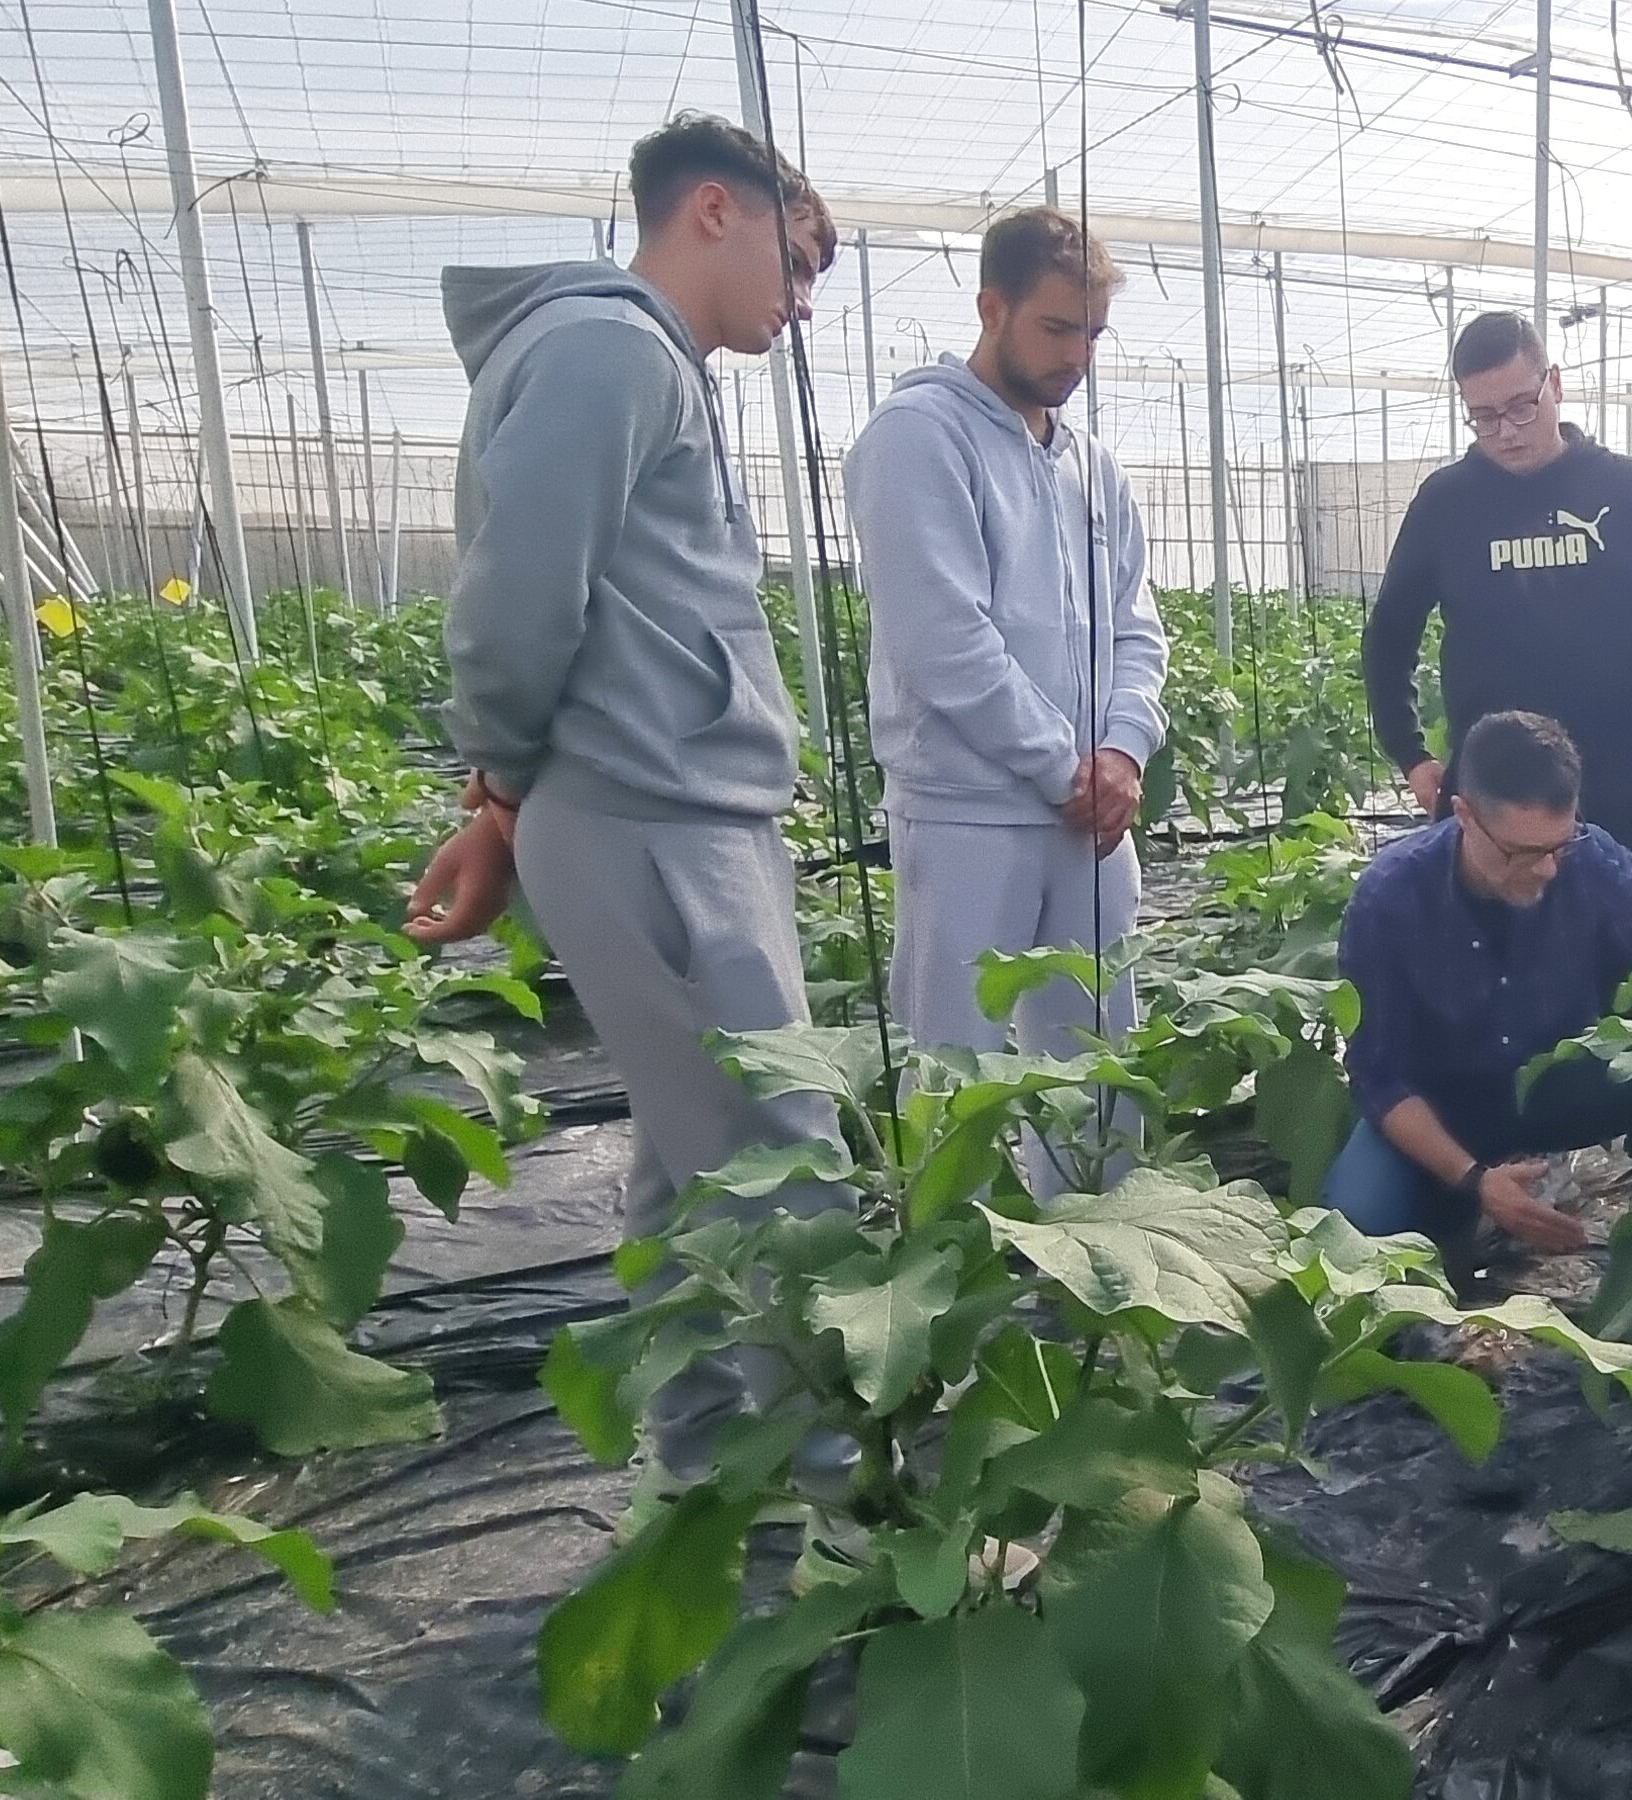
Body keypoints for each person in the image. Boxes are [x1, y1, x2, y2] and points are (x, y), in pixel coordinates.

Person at [405, 114, 843, 1477]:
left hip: (669, 808)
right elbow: (515, 604)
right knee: (778, 1162)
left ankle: (708, 1472)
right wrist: (504, 783)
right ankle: (835, 1505)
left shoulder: (633, 359)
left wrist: (502, 810)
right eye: (798, 258)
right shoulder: (609, 350)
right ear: (714, 209)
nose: (803, 301)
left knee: (690, 1158)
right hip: (654, 817)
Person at [847, 206, 1164, 1068]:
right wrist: (1066, 771)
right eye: (1057, 328)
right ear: (992, 309)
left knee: (1100, 1064)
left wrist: (1124, 752)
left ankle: (1100, 1173)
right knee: (956, 1065)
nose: (1077, 355)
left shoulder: (1093, 465)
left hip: (1092, 821)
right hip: (967, 813)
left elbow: (1137, 628)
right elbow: (943, 641)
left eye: (1093, 333)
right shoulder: (919, 437)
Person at [1329, 712, 1632, 1369]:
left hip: (1554, 1081)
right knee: (1355, 1228)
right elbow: (1379, 1076)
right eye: (1521, 852)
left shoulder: (1593, 860)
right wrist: (1475, 1180)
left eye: (1558, 845)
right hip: (1442, 1108)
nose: (1546, 869)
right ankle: (1446, 1231)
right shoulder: (1392, 896)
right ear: (1464, 816)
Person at [1364, 312, 1632, 910]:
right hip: (1496, 813)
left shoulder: (1623, 488)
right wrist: (1411, 753)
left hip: (1622, 800)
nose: (1506, 431)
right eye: (1484, 416)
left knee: (1631, 955)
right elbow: (1390, 636)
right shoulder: (1447, 502)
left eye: (1522, 406)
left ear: (1556, 383)